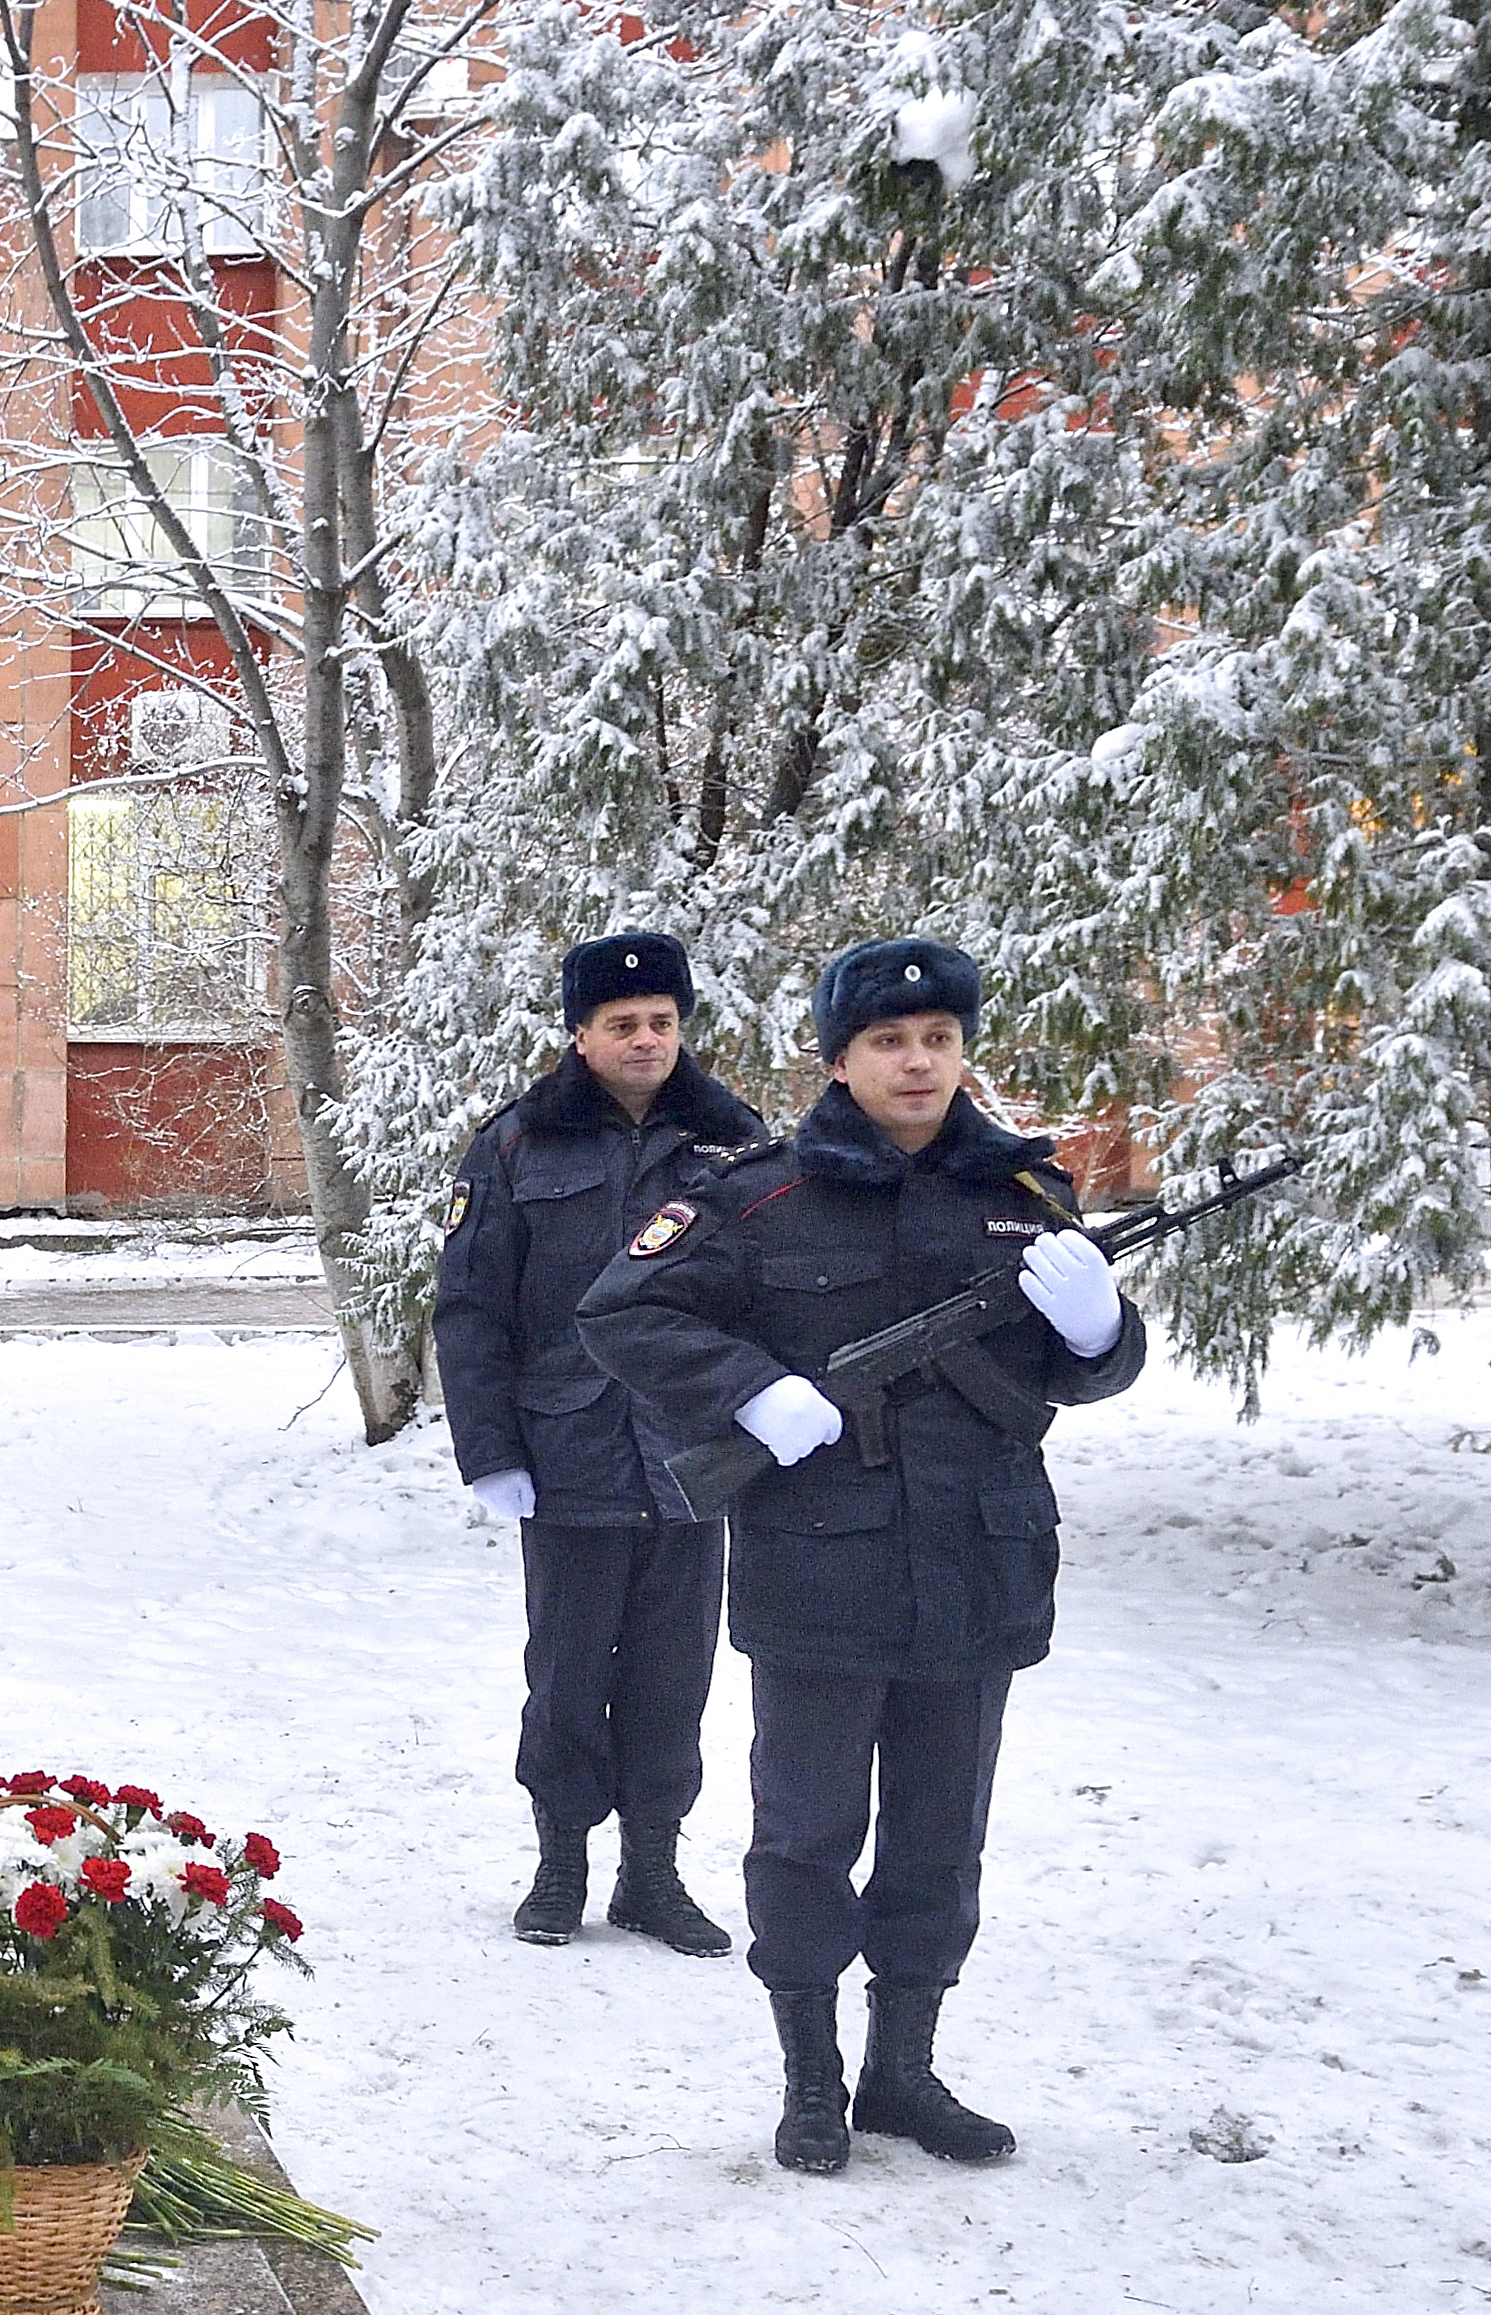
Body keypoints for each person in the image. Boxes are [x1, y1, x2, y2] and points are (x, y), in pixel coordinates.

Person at [577, 935, 1146, 2176]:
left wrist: (1101, 1331)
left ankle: (902, 2071)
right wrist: (751, 1394)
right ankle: (811, 2076)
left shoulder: (1022, 1193)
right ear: (837, 1058)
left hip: (979, 1567)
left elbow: (1076, 1369)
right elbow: (623, 1310)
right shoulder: (754, 1193)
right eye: (888, 1041)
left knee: (941, 1840)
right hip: (819, 1569)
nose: (917, 1061)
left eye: (938, 1040)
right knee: (806, 1835)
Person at [432, 929, 765, 1953]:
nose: (644, 1038)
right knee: (568, 1667)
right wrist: (490, 1448)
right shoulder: (517, 1146)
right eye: (621, 1023)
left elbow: (765, 1295)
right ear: (579, 1033)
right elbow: (470, 1305)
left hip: (689, 1456)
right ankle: (560, 1861)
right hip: (566, 1451)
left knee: (674, 1672)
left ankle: (651, 1872)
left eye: (661, 1021)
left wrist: (760, 1413)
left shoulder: (731, 1145)